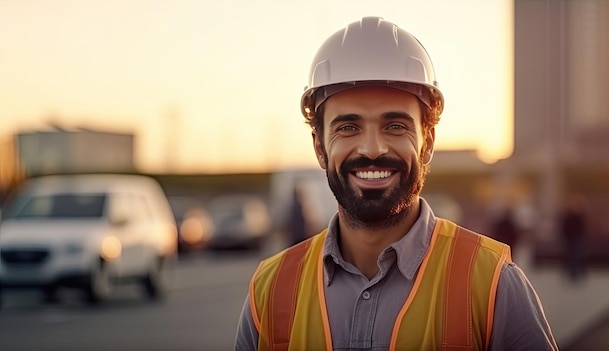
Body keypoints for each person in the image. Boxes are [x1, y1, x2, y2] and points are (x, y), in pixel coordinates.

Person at [236, 17, 557, 350]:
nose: (372, 148)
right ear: (320, 147)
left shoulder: (492, 283)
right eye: (348, 127)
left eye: (395, 126)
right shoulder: (270, 290)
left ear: (427, 142)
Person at [559, 194, 588, 282]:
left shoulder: (580, 215)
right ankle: (572, 273)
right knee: (571, 255)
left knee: (576, 255)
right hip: (571, 238)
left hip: (576, 238)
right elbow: (565, 226)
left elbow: (582, 227)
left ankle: (576, 273)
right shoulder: (571, 215)